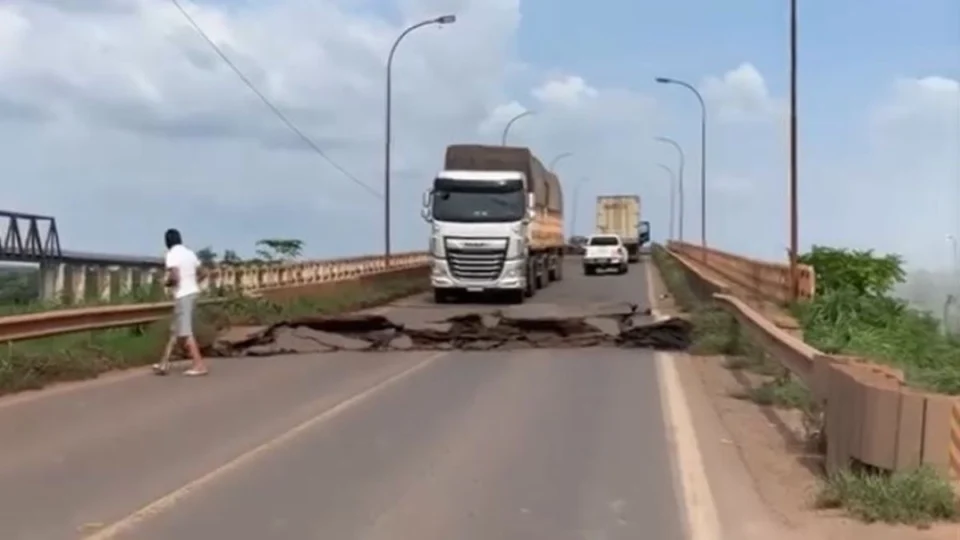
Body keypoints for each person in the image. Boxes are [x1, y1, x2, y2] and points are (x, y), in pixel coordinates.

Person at [152, 228, 208, 376]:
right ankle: (164, 363)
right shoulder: (189, 253)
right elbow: (203, 273)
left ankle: (199, 365)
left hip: (183, 295)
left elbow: (174, 276)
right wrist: (192, 282)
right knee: (175, 330)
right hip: (193, 292)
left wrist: (167, 283)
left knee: (185, 332)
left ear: (167, 242)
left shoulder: (171, 255)